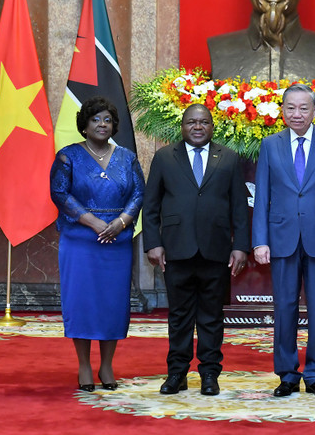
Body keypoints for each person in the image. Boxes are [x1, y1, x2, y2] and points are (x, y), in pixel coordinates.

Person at [143, 103, 250, 396]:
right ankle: (177, 372)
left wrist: (240, 246)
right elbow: (150, 206)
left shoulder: (228, 158)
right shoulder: (165, 157)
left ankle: (209, 374)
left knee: (211, 316)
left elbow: (240, 207)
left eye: (204, 122)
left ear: (213, 127)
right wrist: (153, 243)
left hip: (216, 250)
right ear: (182, 126)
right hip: (177, 249)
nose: (198, 127)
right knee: (179, 316)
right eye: (192, 122)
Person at [252, 84, 315, 398]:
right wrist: (259, 241)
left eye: (303, 108)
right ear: (282, 110)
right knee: (285, 308)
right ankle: (288, 374)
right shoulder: (270, 145)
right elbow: (262, 195)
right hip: (281, 238)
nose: (297, 114)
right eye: (290, 108)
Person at [49, 96, 145, 392]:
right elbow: (60, 194)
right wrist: (94, 223)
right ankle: (83, 364)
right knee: (83, 302)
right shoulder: (68, 156)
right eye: (95, 120)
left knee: (112, 304)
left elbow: (138, 193)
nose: (102, 125)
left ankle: (106, 365)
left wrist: (121, 222)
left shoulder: (127, 157)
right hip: (81, 241)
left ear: (114, 125)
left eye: (107, 120)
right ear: (84, 125)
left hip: (116, 242)